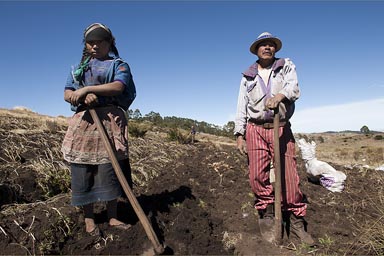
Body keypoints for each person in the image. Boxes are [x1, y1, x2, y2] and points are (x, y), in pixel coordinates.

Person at [234, 32, 314, 245]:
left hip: (281, 127)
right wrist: (239, 134)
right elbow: (241, 106)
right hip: (255, 129)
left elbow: (294, 87)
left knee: (289, 176)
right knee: (257, 175)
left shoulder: (285, 65)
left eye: (270, 45)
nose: (267, 48)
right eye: (263, 45)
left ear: (275, 49)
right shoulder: (247, 75)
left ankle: (297, 221)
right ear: (257, 50)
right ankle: (267, 212)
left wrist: (280, 96)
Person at [61, 23, 136, 237]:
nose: (95, 46)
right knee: (83, 170)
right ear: (86, 44)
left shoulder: (119, 65)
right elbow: (67, 92)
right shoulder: (78, 68)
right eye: (90, 42)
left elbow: (118, 87)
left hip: (109, 121)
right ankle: (89, 219)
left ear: (109, 43)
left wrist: (88, 89)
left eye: (100, 42)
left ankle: (112, 216)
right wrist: (81, 96)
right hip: (85, 122)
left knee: (109, 169)